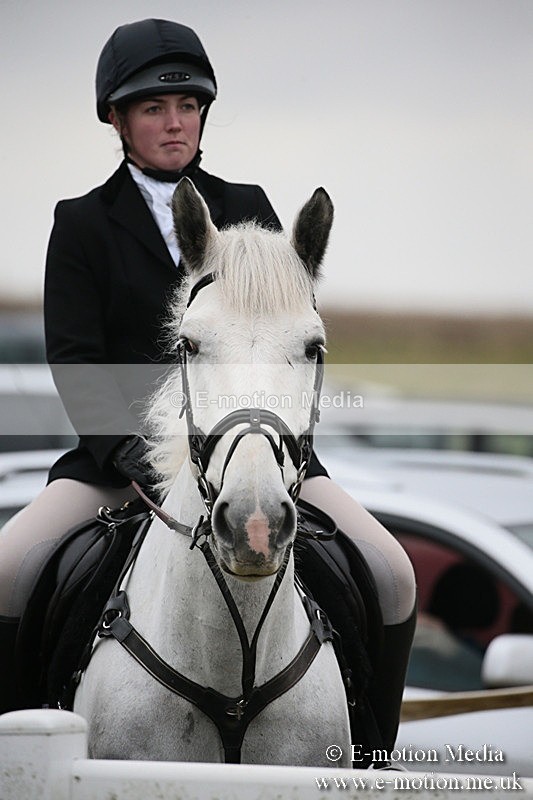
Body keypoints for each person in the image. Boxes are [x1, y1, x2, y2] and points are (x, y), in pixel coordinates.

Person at [0, 18, 416, 754]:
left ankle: (373, 757)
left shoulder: (246, 203)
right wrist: (127, 452)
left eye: (187, 106)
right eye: (154, 109)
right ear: (117, 119)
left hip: (254, 449)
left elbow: (286, 334)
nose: (173, 122)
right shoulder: (83, 224)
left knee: (390, 572)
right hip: (120, 466)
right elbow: (74, 356)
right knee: (7, 570)